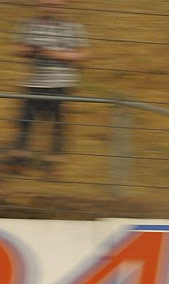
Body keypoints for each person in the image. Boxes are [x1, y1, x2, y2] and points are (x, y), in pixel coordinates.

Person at [8, 0, 88, 170]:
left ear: (62, 6)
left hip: (60, 83)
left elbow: (81, 55)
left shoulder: (72, 28)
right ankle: (20, 158)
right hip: (34, 82)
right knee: (25, 121)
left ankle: (54, 160)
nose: (49, 7)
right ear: (38, 5)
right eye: (45, 4)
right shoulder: (29, 25)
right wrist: (31, 50)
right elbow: (17, 49)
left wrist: (53, 54)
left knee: (57, 123)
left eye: (53, 4)